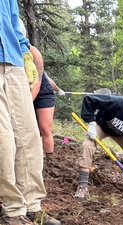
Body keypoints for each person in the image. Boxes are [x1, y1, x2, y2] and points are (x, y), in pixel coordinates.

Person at [0, 1, 61, 225]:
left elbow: (13, 21)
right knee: (4, 139)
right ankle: (13, 211)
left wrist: (25, 52)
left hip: (14, 59)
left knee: (29, 135)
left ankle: (32, 205)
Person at [19, 19, 65, 165]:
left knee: (45, 128)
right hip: (25, 92)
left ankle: (50, 161)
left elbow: (41, 82)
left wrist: (57, 90)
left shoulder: (33, 53)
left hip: (42, 92)